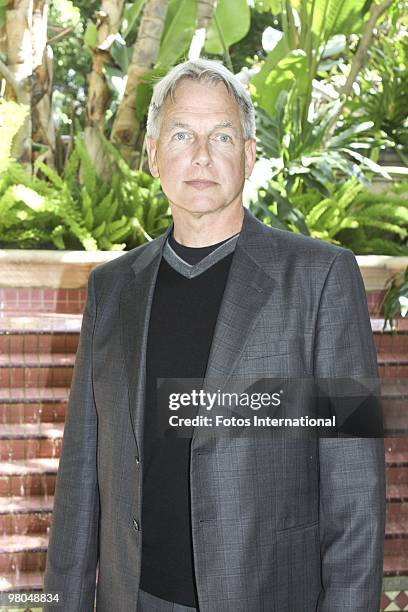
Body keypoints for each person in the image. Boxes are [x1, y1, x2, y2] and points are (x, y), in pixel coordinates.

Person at [43, 58, 386, 612]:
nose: (201, 154)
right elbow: (81, 482)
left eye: (221, 135)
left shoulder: (321, 280)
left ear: (249, 155)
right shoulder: (111, 289)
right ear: (153, 154)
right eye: (182, 134)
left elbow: (356, 496)